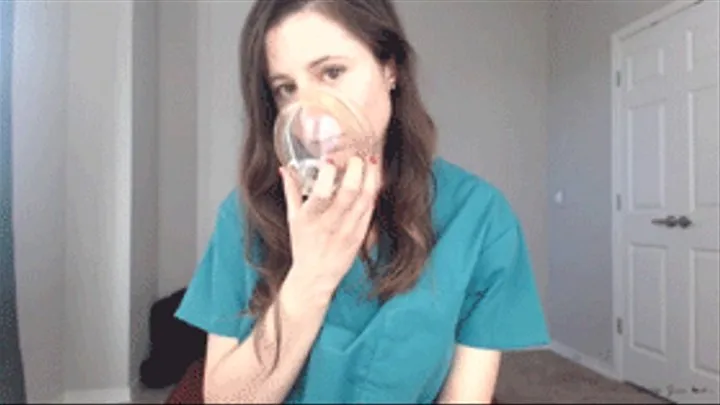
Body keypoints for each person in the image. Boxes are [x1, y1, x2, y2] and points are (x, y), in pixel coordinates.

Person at [175, 0, 549, 403]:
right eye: (287, 89)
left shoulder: (478, 217)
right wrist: (310, 280)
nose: (310, 117)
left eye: (332, 72)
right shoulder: (246, 216)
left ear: (389, 67)